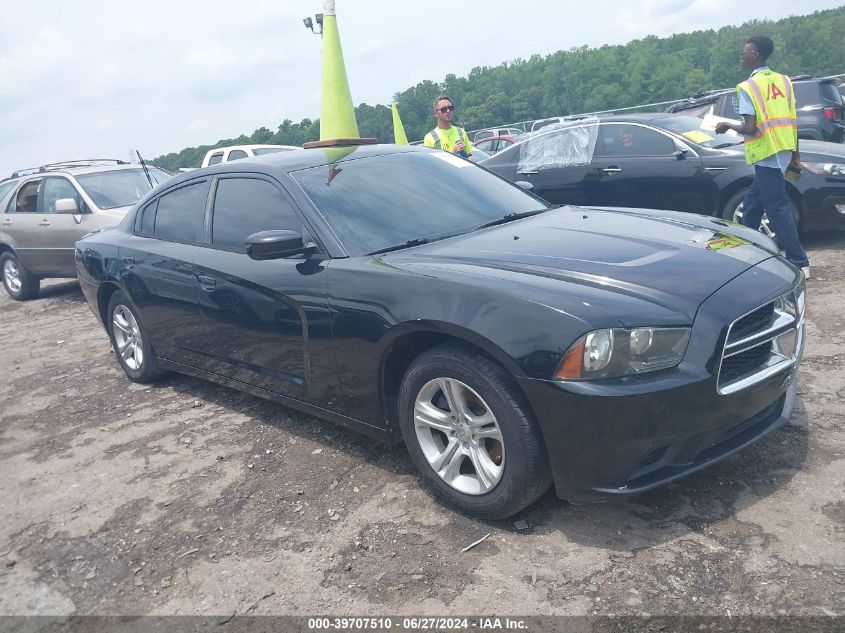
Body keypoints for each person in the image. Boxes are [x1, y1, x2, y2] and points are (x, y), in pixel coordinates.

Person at [715, 35, 810, 278]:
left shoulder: (748, 87)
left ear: (755, 55)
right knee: (753, 205)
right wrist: (795, 156)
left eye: (744, 52)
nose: (741, 56)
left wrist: (726, 125)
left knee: (777, 207)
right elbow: (792, 121)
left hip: (766, 152)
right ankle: (749, 252)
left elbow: (749, 128)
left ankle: (799, 262)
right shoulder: (785, 81)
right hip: (783, 149)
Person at [423, 95, 474, 160]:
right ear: (436, 113)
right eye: (443, 109)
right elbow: (432, 165)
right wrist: (453, 153)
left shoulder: (461, 132)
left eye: (450, 108)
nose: (448, 111)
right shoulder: (429, 137)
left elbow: (469, 156)